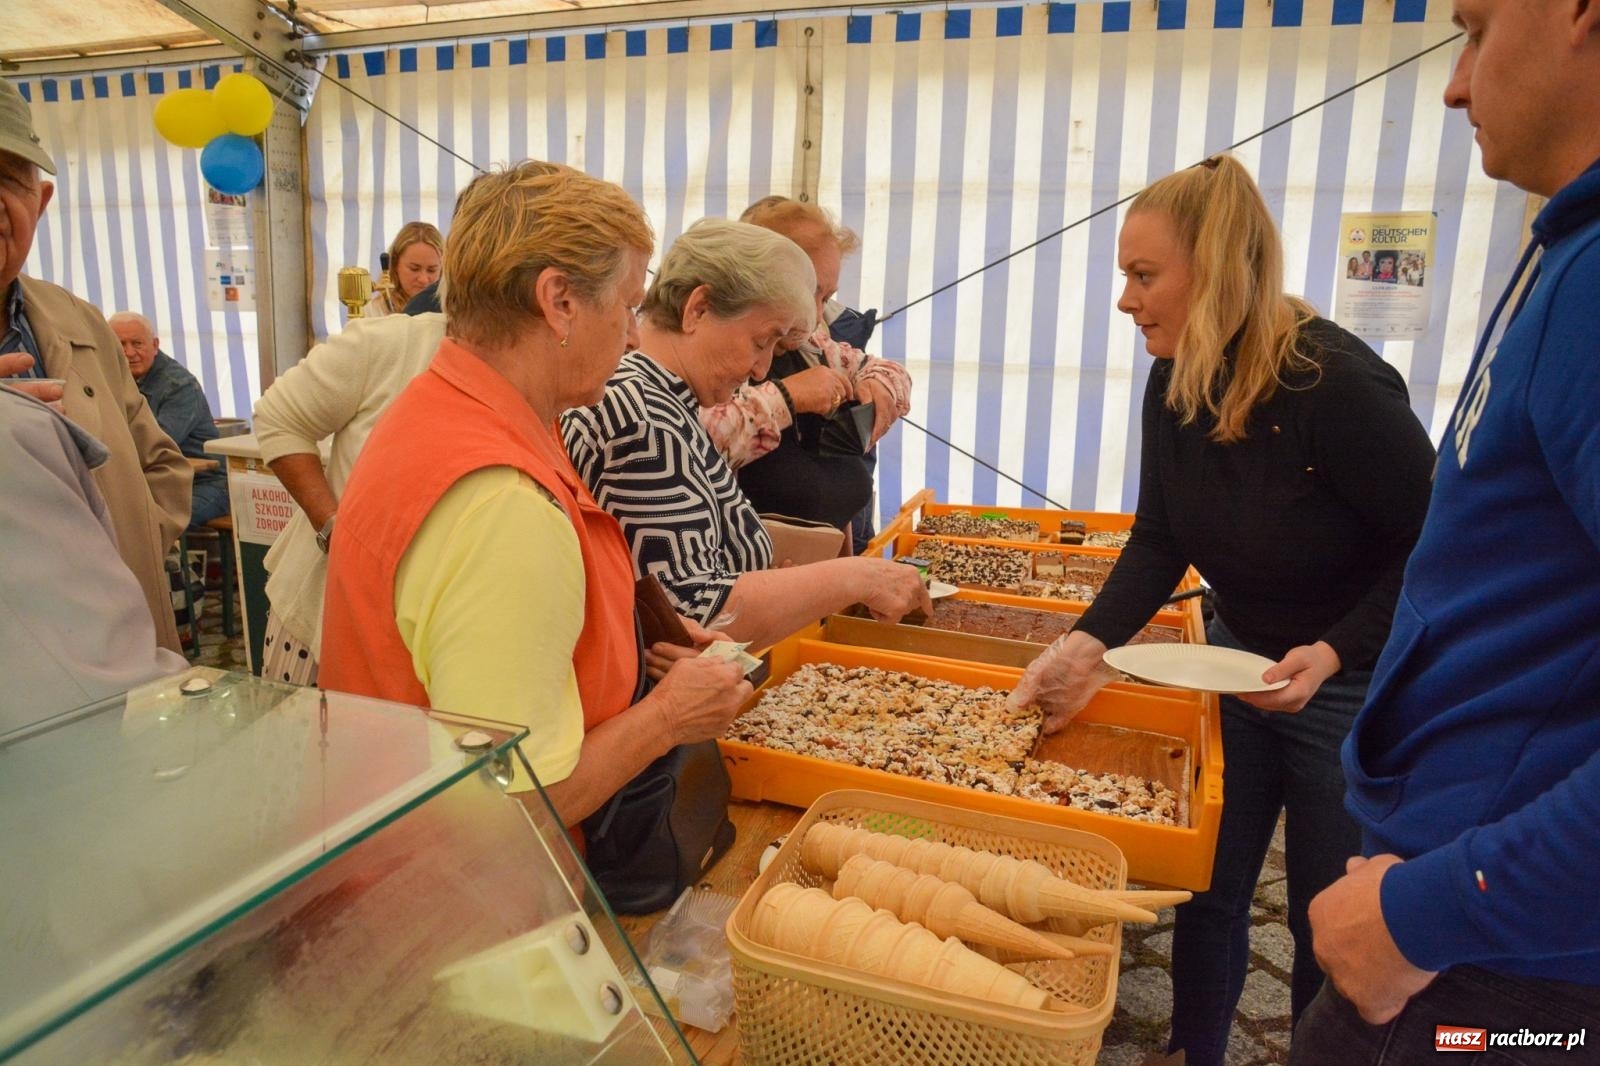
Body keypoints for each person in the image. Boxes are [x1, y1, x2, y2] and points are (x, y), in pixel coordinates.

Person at [1007, 157, 1436, 1066]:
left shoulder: (1336, 386)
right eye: (1125, 274)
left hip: (1346, 686)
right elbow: (1160, 538)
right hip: (1234, 659)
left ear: (1222, 268)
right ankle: (1194, 1051)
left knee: (1328, 913)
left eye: (1143, 274)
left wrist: (1334, 650)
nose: (1125, 299)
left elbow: (1433, 546)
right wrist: (1085, 645)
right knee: (1209, 885)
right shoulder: (1176, 377)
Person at [1295, 2, 1600, 1059]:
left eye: (1474, 29)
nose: (1453, 82)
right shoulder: (1567, 244)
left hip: (1509, 964)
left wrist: (1434, 911)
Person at [319, 162, 749, 825]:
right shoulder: (502, 504)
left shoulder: (449, 408)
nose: (634, 335)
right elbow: (514, 809)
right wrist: (667, 717)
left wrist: (635, 643)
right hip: (461, 901)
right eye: (629, 307)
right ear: (559, 302)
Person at [562, 218, 930, 650]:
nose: (761, 369)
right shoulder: (644, 418)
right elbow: (697, 614)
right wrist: (858, 577)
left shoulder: (666, 401)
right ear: (698, 308)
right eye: (761, 342)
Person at [0, 77, 190, 654]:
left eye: (8, 178)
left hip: (111, 650)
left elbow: (160, 461)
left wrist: (128, 557)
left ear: (41, 200)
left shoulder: (77, 320)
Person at [698, 197, 912, 540]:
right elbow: (697, 443)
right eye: (807, 292)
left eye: (825, 298)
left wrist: (882, 384)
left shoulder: (812, 343)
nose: (814, 315)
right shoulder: (711, 348)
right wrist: (789, 397)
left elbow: (886, 369)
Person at [252, 310, 446, 685]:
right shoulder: (393, 343)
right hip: (321, 620)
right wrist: (332, 526)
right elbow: (278, 417)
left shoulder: (547, 374)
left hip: (431, 641)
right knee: (300, 739)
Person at [0, 384, 186, 728]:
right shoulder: (17, 425)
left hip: (119, 609)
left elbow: (163, 456)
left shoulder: (86, 333)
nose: (131, 350)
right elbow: (89, 681)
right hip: (83, 708)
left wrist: (153, 529)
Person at [110, 311, 229, 528]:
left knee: (150, 524)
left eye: (137, 343)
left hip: (203, 483)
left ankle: (173, 563)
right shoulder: (111, 379)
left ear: (155, 345)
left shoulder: (179, 385)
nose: (129, 352)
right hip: (155, 481)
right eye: (120, 345)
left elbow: (154, 444)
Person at [364, 221, 443, 317]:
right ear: (394, 264)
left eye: (431, 270)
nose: (423, 279)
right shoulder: (373, 313)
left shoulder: (451, 311)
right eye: (414, 269)